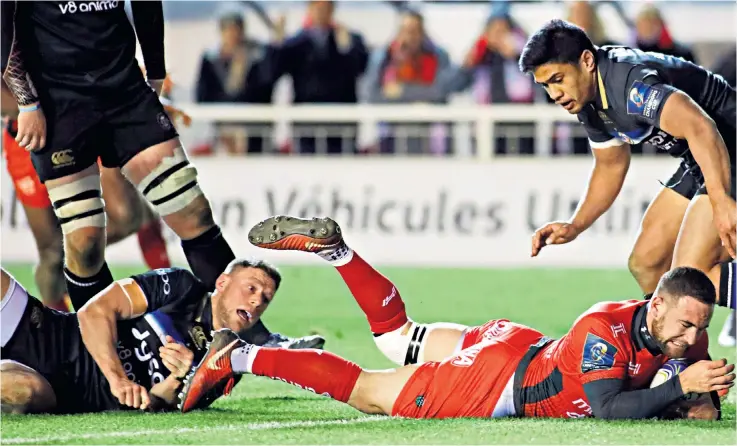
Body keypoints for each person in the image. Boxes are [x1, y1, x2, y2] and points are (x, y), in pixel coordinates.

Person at [179, 216, 733, 420]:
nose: (692, 338)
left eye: (698, 329)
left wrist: (702, 395)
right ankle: (242, 354)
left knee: (398, 339)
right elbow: (611, 408)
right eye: (684, 326)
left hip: (520, 344)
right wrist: (679, 385)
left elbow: (700, 411)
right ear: (655, 304)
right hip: (498, 381)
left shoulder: (682, 329)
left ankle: (337, 256)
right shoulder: (603, 329)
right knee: (371, 390)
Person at [0, 1, 310, 349]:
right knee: (84, 243)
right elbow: (4, 21)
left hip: (123, 91)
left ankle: (252, 338)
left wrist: (156, 74)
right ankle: (107, 353)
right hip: (59, 103)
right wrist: (26, 103)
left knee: (193, 211)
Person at [518, 20, 736, 314]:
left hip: (725, 147)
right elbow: (611, 164)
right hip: (704, 156)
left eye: (558, 78)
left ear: (586, 61)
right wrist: (575, 225)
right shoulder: (586, 98)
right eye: (545, 85)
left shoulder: (632, 85)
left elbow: (700, 127)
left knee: (689, 276)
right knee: (647, 262)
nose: (554, 94)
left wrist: (720, 199)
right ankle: (682, 358)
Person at [0, 255, 310, 414]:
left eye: (265, 298)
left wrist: (183, 377)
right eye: (251, 288)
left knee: (20, 392)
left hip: (65, 392)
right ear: (223, 283)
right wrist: (118, 378)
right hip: (47, 334)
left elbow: (158, 404)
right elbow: (94, 311)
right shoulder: (180, 286)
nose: (257, 301)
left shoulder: (225, 362)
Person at [2, 82, 173, 311]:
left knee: (129, 216)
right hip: (24, 142)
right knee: (51, 259)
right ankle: (64, 336)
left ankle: (171, 302)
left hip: (75, 122)